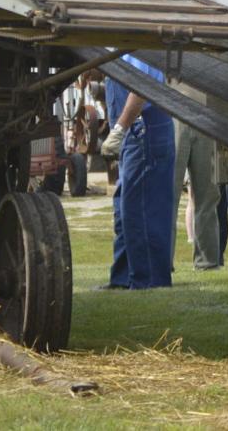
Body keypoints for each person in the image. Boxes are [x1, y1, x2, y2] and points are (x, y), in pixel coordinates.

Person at [99, 57, 176, 290]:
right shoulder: (117, 45)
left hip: (145, 129)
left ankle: (150, 281)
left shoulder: (139, 47)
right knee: (125, 207)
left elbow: (141, 88)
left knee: (142, 209)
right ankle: (123, 277)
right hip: (135, 132)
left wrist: (120, 128)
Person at [171, 118, 222, 270]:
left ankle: (207, 262)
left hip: (205, 118)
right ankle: (162, 263)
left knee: (208, 196)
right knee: (167, 197)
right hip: (173, 114)